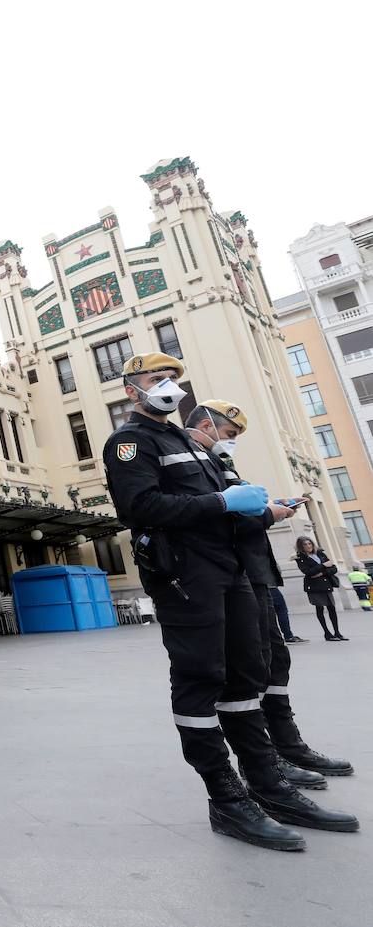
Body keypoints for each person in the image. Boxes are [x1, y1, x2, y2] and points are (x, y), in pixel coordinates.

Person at [103, 353, 338, 851]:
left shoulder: (188, 442)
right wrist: (223, 502)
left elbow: (222, 510)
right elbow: (138, 507)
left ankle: (267, 786)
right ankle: (226, 799)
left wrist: (253, 508)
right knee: (201, 679)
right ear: (131, 389)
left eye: (173, 378)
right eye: (155, 378)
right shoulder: (130, 441)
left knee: (245, 675)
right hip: (185, 576)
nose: (168, 385)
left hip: (228, 570)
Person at [184, 400, 356, 795]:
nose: (231, 444)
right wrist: (269, 514)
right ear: (207, 425)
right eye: (228, 435)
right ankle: (264, 759)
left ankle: (286, 746)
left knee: (275, 662)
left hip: (256, 573)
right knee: (251, 669)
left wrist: (267, 508)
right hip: (233, 572)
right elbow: (221, 516)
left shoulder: (220, 464)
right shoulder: (197, 463)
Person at [295, 538, 346, 641]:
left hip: (326, 585)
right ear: (301, 547)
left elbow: (334, 568)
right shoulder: (300, 558)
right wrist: (323, 565)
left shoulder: (320, 554)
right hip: (314, 587)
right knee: (320, 609)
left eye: (310, 543)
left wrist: (322, 573)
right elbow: (308, 572)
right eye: (305, 544)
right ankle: (327, 633)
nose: (309, 546)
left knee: (332, 608)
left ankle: (337, 632)